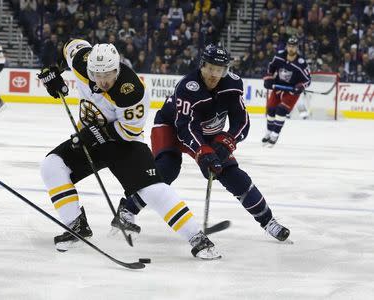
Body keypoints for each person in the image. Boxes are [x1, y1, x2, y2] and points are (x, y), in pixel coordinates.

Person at [37, 39, 221, 260]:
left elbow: (128, 131)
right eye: (97, 75)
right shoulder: (80, 61)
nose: (103, 81)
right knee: (52, 166)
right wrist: (53, 72)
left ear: (118, 68)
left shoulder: (132, 91)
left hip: (124, 143)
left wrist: (93, 134)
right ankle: (76, 226)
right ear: (89, 69)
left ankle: (197, 238)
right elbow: (69, 45)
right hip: (90, 139)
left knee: (152, 190)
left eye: (109, 74)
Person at [112, 44, 291, 243]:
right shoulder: (187, 87)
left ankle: (268, 221)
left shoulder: (232, 85)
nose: (214, 75)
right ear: (202, 66)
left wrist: (227, 142)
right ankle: (127, 210)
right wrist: (203, 152)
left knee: (233, 174)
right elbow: (185, 128)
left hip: (208, 133)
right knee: (167, 169)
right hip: (171, 127)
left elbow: (242, 122)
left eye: (220, 70)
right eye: (210, 68)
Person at [262, 36, 311, 146]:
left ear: (297, 48)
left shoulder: (301, 63)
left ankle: (275, 134)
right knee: (270, 109)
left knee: (281, 110)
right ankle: (268, 132)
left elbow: (307, 80)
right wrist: (268, 78)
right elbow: (270, 69)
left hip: (292, 92)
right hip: (278, 88)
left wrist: (300, 86)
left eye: (293, 46)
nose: (291, 48)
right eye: (289, 46)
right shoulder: (279, 56)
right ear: (287, 46)